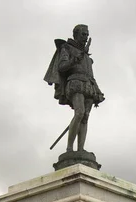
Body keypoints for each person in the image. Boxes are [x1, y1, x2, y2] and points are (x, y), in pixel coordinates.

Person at [44, 24, 105, 152]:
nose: (85, 37)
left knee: (85, 117)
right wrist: (75, 59)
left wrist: (98, 91)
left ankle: (81, 149)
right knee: (79, 113)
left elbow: (91, 75)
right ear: (76, 34)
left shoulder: (87, 57)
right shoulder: (67, 48)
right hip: (75, 82)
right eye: (83, 34)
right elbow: (62, 66)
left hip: (89, 85)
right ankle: (69, 149)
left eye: (87, 35)